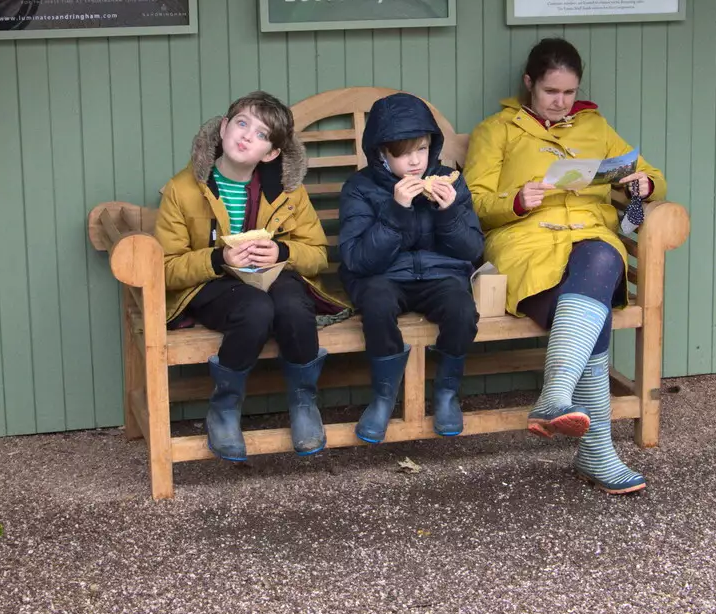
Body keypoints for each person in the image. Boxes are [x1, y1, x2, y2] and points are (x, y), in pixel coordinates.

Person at [463, 38, 665, 494]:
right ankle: (596, 453)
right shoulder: (497, 129)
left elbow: (651, 171)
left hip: (590, 239)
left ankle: (555, 399)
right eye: (551, 91)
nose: (560, 102)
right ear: (529, 83)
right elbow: (473, 203)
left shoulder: (595, 127)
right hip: (525, 241)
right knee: (590, 313)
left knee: (599, 256)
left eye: (569, 93)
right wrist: (514, 201)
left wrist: (645, 183)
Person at [153, 91, 346, 462]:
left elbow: (317, 255)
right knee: (256, 309)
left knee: (292, 305)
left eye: (261, 135)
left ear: (271, 153)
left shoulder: (288, 191)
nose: (246, 137)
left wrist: (283, 252)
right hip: (212, 283)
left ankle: (303, 402)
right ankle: (224, 408)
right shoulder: (183, 189)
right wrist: (218, 257)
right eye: (241, 124)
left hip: (273, 276)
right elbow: (166, 267)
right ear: (223, 128)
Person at [338, 93, 483, 442]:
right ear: (382, 155)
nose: (415, 162)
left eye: (421, 149)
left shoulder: (451, 181)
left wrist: (448, 212)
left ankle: (447, 393)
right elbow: (358, 259)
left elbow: (473, 249)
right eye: (403, 153)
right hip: (383, 276)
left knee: (462, 309)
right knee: (376, 305)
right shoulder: (360, 188)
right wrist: (397, 209)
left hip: (440, 275)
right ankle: (384, 396)